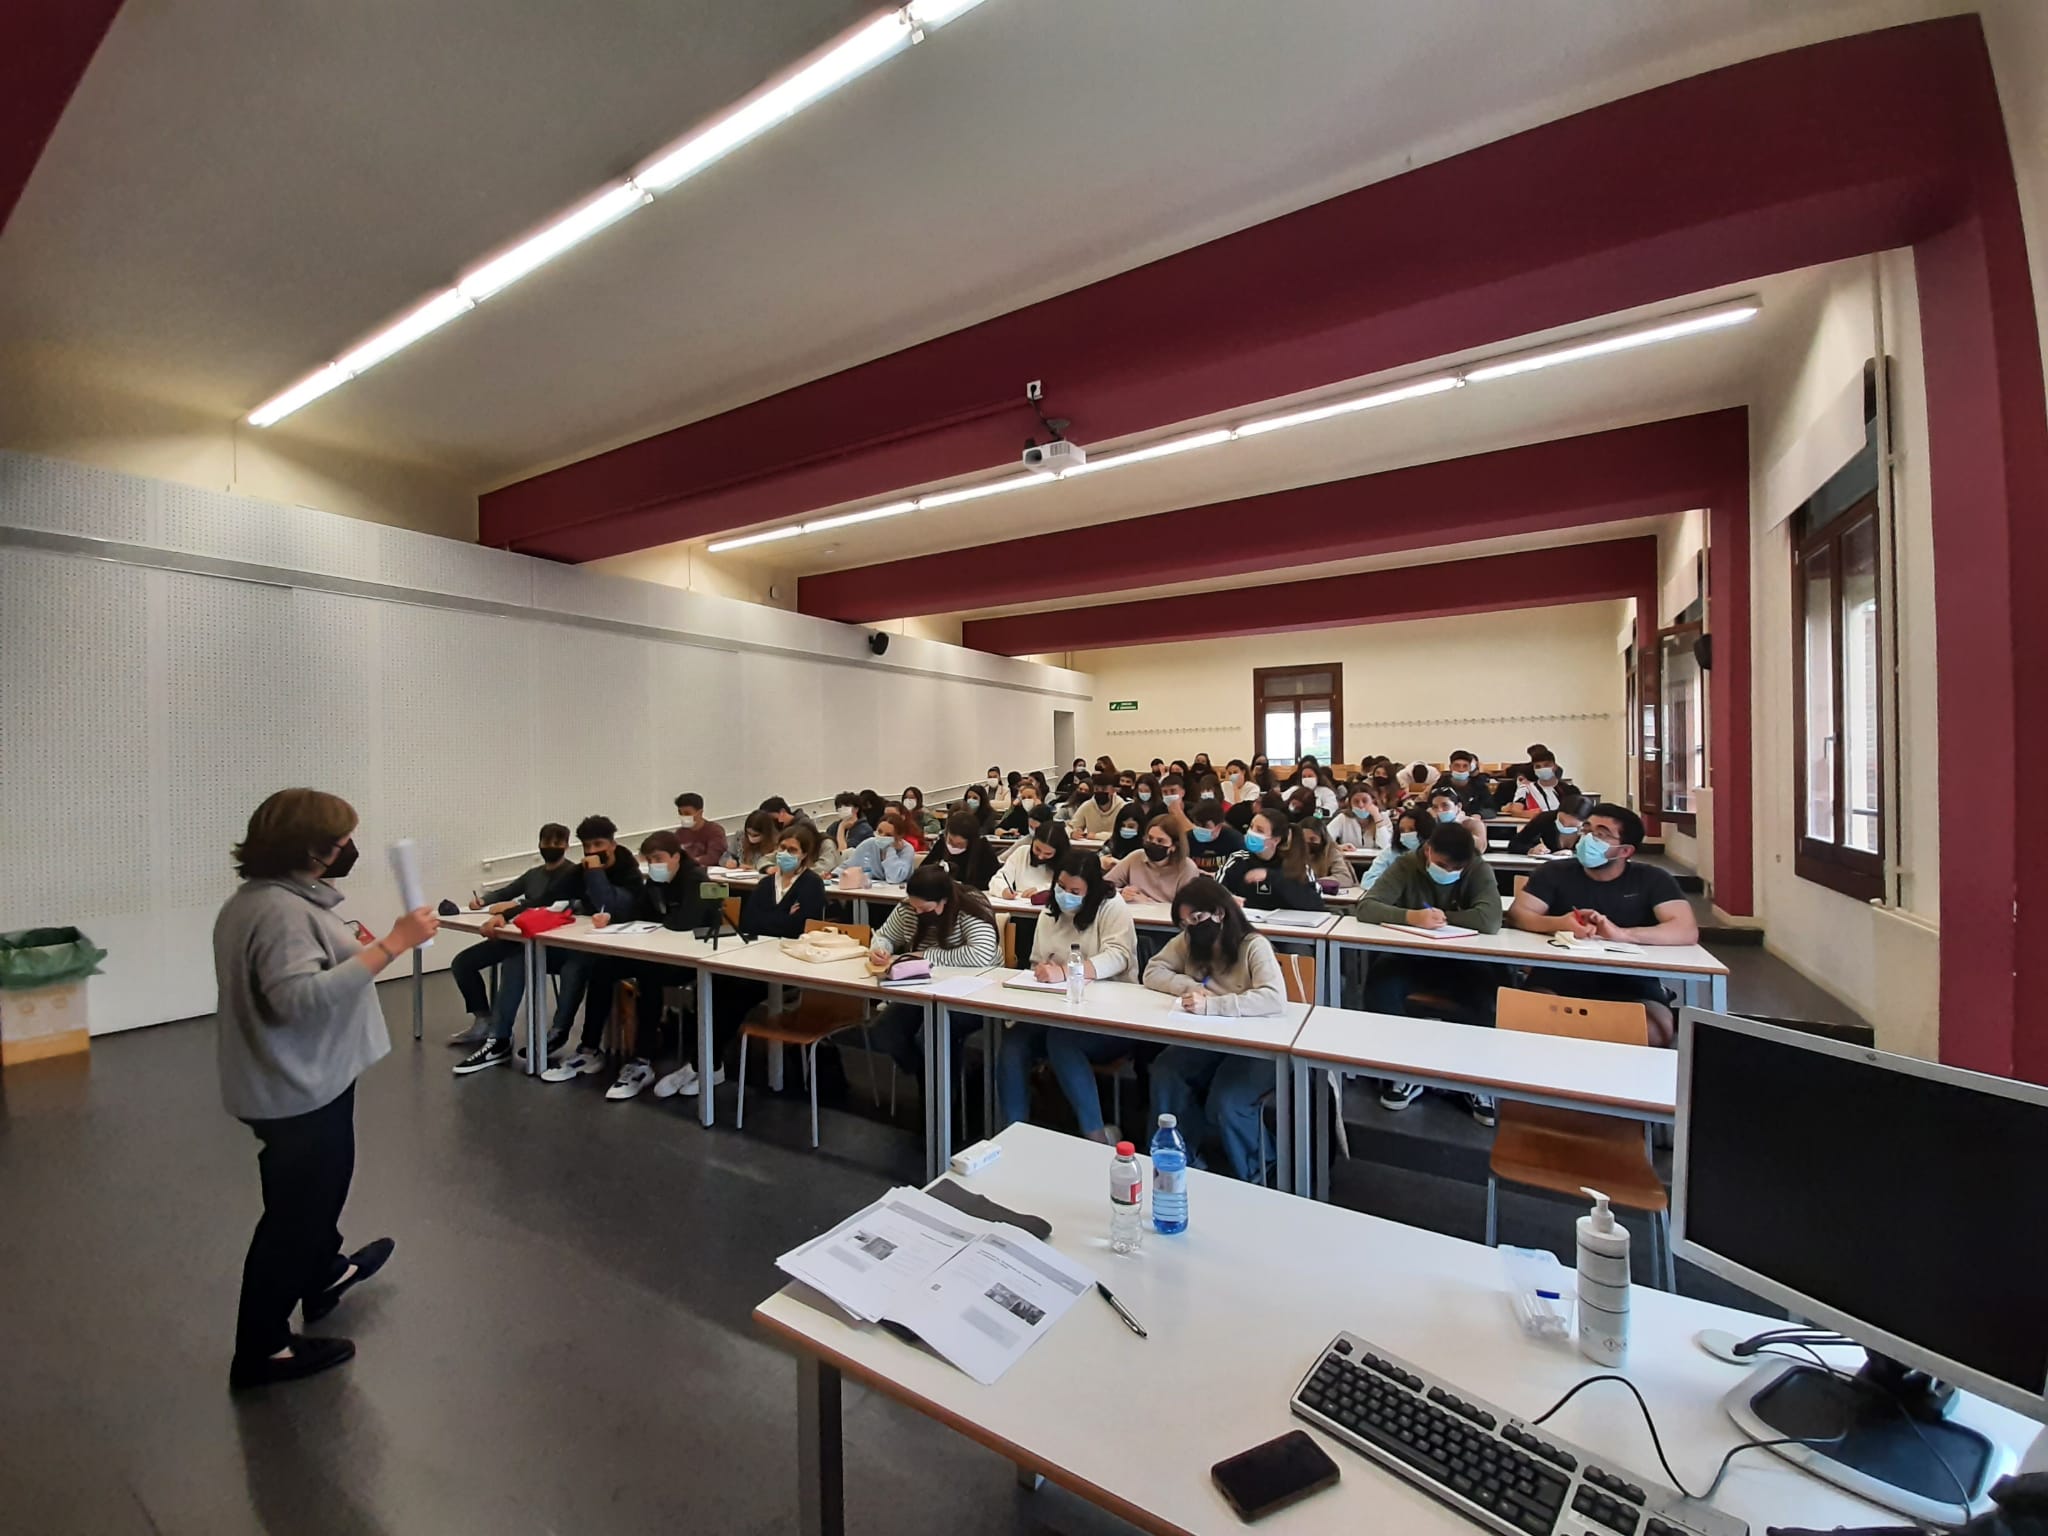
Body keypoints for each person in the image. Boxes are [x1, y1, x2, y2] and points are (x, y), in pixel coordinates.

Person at [215, 788, 438, 1388]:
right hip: (297, 1090)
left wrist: (361, 947)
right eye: (341, 842)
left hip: (300, 1081)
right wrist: (392, 945)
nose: (349, 851)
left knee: (314, 1197)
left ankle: (322, 1274)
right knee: (295, 1214)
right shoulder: (282, 913)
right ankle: (262, 1348)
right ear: (312, 850)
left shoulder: (263, 900)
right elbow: (298, 1000)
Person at [1507, 803, 1697, 1046]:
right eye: (1586, 829)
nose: (1588, 838)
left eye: (1601, 834)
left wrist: (1622, 934)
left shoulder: (1652, 879)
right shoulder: (1554, 871)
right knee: (1526, 1020)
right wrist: (1558, 923)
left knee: (1654, 1032)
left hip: (1632, 979)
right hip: (1560, 973)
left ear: (1625, 851)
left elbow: (1685, 929)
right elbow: (1518, 913)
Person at [1354, 822, 1506, 1119]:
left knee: (1489, 992)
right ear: (1427, 850)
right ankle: (1400, 1068)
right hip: (1411, 957)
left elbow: (1489, 920)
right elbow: (1367, 907)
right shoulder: (1407, 865)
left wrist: (1441, 917)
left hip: (1465, 961)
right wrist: (1411, 916)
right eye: (1440, 863)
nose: (1447, 870)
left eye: (1455, 867)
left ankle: (1475, 1075)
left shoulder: (1477, 868)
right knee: (1381, 983)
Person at [1143, 879, 1287, 1182]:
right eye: (1184, 923)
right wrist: (1190, 986)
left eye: (1196, 919)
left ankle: (1260, 1173)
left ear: (1220, 913)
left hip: (1257, 1042)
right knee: (1167, 1071)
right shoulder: (1189, 941)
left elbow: (1273, 998)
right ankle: (1182, 1157)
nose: (1190, 928)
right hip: (1209, 1038)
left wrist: (1215, 1005)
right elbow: (1153, 971)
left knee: (1229, 1100)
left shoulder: (1252, 945)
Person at [998, 851, 1140, 1138]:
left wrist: (1067, 971)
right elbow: (1037, 959)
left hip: (1109, 1015)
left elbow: (1119, 956)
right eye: (1061, 887)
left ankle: (1096, 1134)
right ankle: (1013, 1132)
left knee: (1062, 1041)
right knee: (1014, 1045)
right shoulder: (1051, 910)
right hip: (1056, 1009)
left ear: (1092, 890)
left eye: (1075, 891)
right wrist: (1042, 971)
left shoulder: (1111, 906)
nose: (1065, 895)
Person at [691, 822, 829, 1097]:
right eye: (781, 848)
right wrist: (782, 918)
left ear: (805, 855)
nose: (784, 854)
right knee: (711, 985)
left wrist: (777, 921)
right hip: (757, 956)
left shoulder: (812, 884)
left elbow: (800, 926)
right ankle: (705, 1062)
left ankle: (707, 1063)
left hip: (790, 963)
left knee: (736, 995)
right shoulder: (767, 883)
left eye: (792, 850)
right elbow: (750, 921)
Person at [574, 830, 711, 1101]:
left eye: (658, 858)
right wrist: (610, 917)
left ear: (676, 856)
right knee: (601, 969)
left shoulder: (696, 879)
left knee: (650, 977)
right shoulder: (656, 881)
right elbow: (640, 912)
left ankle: (642, 1059)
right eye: (649, 860)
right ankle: (589, 1049)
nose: (653, 865)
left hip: (690, 959)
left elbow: (686, 922)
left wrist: (662, 921)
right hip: (656, 951)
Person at [511, 814, 643, 1075]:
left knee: (591, 969)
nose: (592, 852)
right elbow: (550, 896)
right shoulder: (582, 869)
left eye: (598, 845)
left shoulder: (628, 871)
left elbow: (609, 900)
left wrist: (594, 871)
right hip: (594, 942)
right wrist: (509, 910)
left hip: (633, 947)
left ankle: (589, 1046)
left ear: (612, 845)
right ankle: (558, 1033)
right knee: (557, 962)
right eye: (587, 847)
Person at [863, 865, 1001, 1079]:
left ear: (943, 901)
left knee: (932, 1035)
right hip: (923, 988)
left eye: (925, 909)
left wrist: (927, 956)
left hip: (974, 992)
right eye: (914, 906)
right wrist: (880, 949)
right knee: (884, 1031)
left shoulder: (971, 905)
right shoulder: (909, 907)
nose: (917, 912)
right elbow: (885, 935)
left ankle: (944, 1099)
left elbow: (981, 954)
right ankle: (929, 1080)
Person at [447, 823, 574, 1047]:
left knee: (512, 964)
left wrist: (511, 910)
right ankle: (483, 1020)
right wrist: (483, 901)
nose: (551, 847)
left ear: (566, 845)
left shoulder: (572, 874)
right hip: (515, 937)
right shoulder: (534, 874)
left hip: (546, 944)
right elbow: (508, 891)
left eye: (557, 843)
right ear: (539, 844)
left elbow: (549, 905)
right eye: (547, 842)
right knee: (463, 963)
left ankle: (500, 1033)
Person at [1220, 807, 1324, 910]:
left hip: (1288, 924)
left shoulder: (1298, 865)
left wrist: (1271, 876)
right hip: (1248, 923)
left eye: (1259, 830)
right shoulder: (1238, 860)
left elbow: (1316, 903)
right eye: (1251, 827)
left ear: (1275, 840)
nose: (1251, 833)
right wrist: (1228, 899)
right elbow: (1216, 891)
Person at [1106, 815, 1200, 903]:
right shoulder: (1136, 857)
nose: (1153, 843)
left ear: (1174, 846)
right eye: (1150, 838)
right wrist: (1121, 892)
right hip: (1136, 915)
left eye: (1160, 841)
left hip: (1167, 919)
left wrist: (1148, 903)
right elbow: (1103, 886)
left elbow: (1186, 906)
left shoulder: (1187, 868)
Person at [990, 820, 1068, 900]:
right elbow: (1000, 878)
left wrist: (1042, 892)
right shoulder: (1022, 852)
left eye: (1048, 854)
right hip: (1019, 905)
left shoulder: (1066, 861)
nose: (1040, 856)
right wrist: (1004, 890)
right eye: (1037, 849)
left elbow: (1065, 889)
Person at [921, 810, 1000, 890]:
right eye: (950, 841)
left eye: (959, 844)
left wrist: (964, 886)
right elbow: (924, 870)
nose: (952, 846)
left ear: (971, 842)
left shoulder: (983, 848)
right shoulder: (942, 843)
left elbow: (993, 880)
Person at [1359, 804, 1433, 888]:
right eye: (1402, 830)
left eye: (1412, 830)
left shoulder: (1436, 853)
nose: (1406, 834)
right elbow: (1368, 881)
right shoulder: (1390, 852)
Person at [847, 812, 918, 885]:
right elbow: (849, 866)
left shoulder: (907, 849)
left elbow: (894, 878)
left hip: (897, 892)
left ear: (899, 837)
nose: (882, 836)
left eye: (888, 835)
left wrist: (891, 850)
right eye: (879, 831)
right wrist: (836, 874)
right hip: (871, 890)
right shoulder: (868, 844)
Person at [1507, 794, 1593, 854]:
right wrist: (1531, 849)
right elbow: (1515, 844)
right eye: (1561, 821)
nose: (1565, 826)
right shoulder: (1545, 819)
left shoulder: (1593, 830)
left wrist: (1574, 854)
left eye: (1571, 826)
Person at [1186, 798, 1244, 874]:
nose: (1200, 829)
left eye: (1205, 826)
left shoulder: (1235, 840)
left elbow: (1241, 869)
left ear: (1219, 826)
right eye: (1197, 824)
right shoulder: (1188, 839)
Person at [1328, 785, 1390, 855]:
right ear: (1350, 803)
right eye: (1356, 802)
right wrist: (1338, 847)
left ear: (1373, 801)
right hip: (1350, 861)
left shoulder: (1383, 817)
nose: (1360, 805)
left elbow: (1385, 845)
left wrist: (1377, 817)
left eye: (1365, 801)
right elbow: (1325, 839)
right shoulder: (1343, 818)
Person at [673, 792, 729, 867]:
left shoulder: (715, 831)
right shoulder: (680, 833)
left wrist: (690, 862)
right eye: (680, 813)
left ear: (700, 813)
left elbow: (714, 857)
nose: (683, 816)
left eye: (687, 813)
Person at [1428, 785, 1492, 850]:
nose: (1440, 810)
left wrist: (1455, 830)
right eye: (1435, 807)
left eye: (1445, 805)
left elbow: (1480, 848)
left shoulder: (1473, 823)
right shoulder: (1430, 824)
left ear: (1458, 806)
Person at [1299, 818, 1357, 889]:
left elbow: (1344, 878)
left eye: (1313, 839)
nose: (1307, 844)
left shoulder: (1331, 852)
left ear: (1322, 839)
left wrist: (1315, 883)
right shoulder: (1294, 853)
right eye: (1302, 840)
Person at [1066, 772, 1125, 839]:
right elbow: (1069, 827)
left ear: (1113, 790)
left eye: (1104, 789)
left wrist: (1096, 836)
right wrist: (1072, 833)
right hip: (1091, 847)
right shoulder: (1087, 806)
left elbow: (1122, 834)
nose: (1100, 792)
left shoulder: (1122, 807)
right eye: (1096, 789)